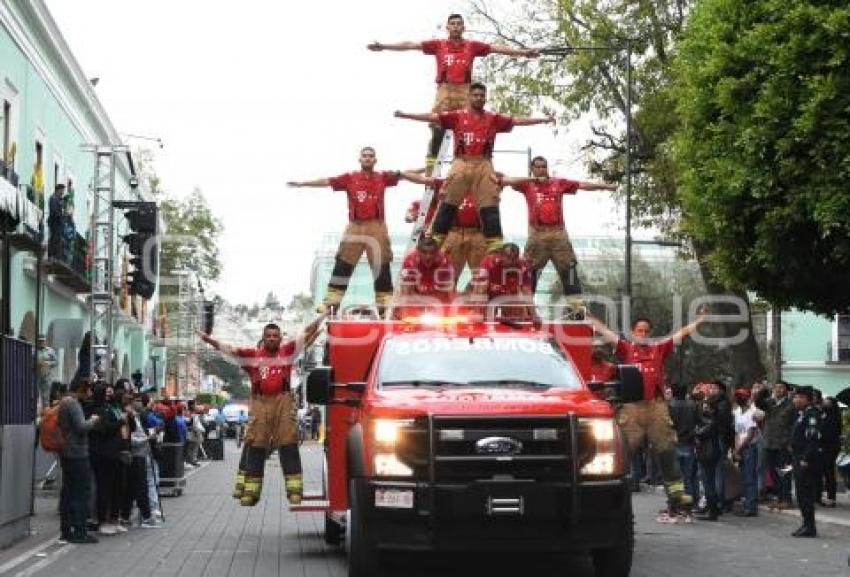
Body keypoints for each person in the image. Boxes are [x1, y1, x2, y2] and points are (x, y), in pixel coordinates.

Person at [395, 83, 554, 253]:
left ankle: (495, 243)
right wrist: (406, 115)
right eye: (475, 95)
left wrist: (543, 120)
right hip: (461, 162)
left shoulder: (493, 117)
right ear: (470, 97)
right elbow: (433, 117)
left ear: (485, 97)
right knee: (448, 199)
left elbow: (516, 120)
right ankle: (435, 238)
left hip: (484, 163)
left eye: (482, 95)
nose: (479, 98)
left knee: (490, 202)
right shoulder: (457, 116)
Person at [368, 13, 538, 170]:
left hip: (465, 90)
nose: (456, 26)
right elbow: (412, 44)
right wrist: (384, 46)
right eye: (453, 24)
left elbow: (496, 48)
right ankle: (431, 165)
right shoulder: (439, 45)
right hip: (445, 89)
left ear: (463, 27)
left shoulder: (471, 46)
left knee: (468, 124)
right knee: (437, 125)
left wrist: (523, 53)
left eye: (459, 24)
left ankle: (468, 162)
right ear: (447, 27)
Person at [589, 311, 707, 519]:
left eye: (646, 331)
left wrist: (699, 321)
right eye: (639, 331)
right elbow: (605, 332)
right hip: (632, 408)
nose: (643, 334)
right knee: (622, 453)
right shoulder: (626, 348)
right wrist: (588, 317)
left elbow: (681, 333)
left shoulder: (658, 348)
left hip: (656, 407)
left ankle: (677, 496)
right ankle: (609, 493)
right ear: (633, 333)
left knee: (667, 450)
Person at [200, 317, 324, 506]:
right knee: (256, 444)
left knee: (288, 443)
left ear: (280, 338)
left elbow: (305, 333)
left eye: (275, 336)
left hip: (283, 401)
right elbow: (229, 349)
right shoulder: (252, 356)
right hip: (259, 402)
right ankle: (250, 492)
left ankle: (294, 491)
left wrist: (321, 317)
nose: (272, 339)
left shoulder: (287, 351)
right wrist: (208, 340)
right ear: (263, 338)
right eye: (269, 336)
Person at [288, 147, 416, 313]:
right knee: (344, 261)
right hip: (355, 226)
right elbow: (327, 181)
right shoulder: (350, 178)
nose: (368, 158)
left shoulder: (382, 177)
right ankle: (331, 301)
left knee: (381, 262)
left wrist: (425, 170)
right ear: (360, 159)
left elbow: (404, 174)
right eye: (365, 156)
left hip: (376, 225)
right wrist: (303, 184)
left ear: (375, 160)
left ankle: (384, 302)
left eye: (371, 156)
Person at [498, 157, 617, 295]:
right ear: (532, 169)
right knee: (530, 271)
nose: (541, 170)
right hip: (537, 235)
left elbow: (581, 185)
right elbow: (508, 181)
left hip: (558, 234)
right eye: (538, 167)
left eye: (544, 167)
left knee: (569, 270)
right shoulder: (527, 185)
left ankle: (576, 308)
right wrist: (531, 179)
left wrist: (605, 186)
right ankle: (526, 309)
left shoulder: (558, 183)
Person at [403, 172, 487, 283]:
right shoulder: (444, 186)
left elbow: (504, 180)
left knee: (482, 274)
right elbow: (416, 178)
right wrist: (400, 173)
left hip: (477, 233)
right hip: (450, 234)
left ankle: (472, 295)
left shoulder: (483, 184)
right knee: (448, 274)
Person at [57, 380, 100, 543]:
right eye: (88, 391)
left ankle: (66, 530)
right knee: (81, 493)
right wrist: (93, 420)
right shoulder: (73, 404)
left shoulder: (63, 403)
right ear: (81, 390)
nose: (90, 394)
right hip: (77, 454)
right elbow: (81, 427)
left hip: (67, 453)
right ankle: (80, 531)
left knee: (68, 492)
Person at [89, 384, 127, 536]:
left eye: (110, 392)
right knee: (104, 487)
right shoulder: (97, 410)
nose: (109, 394)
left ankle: (114, 518)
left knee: (118, 487)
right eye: (106, 392)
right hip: (104, 454)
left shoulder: (112, 407)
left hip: (116, 453)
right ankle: (102, 520)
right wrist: (120, 422)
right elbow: (104, 429)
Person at [754, 380, 796, 509]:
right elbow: (758, 402)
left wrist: (791, 442)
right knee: (773, 473)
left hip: (783, 444)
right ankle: (779, 497)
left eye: (781, 388)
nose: (778, 390)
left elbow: (793, 426)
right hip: (769, 442)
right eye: (776, 387)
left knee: (784, 472)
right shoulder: (769, 403)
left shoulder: (790, 405)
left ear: (786, 391)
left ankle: (786, 499)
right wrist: (763, 389)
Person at [471, 242, 534, 320]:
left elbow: (527, 292)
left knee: (518, 312)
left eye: (514, 258)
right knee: (481, 305)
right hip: (488, 294)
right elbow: (480, 290)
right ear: (501, 256)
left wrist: (534, 314)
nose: (511, 261)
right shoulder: (488, 263)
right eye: (508, 258)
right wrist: (477, 311)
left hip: (508, 294)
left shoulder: (523, 266)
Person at [790, 385, 822, 537]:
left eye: (797, 397)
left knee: (805, 493)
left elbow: (813, 439)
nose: (795, 399)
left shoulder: (812, 415)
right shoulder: (803, 414)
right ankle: (806, 524)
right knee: (801, 493)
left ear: (805, 398)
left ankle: (810, 526)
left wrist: (805, 458)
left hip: (805, 460)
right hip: (798, 457)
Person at [732, 387, 764, 517]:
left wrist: (739, 449)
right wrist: (735, 449)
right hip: (740, 447)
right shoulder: (737, 412)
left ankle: (751, 506)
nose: (739, 398)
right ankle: (746, 503)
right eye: (738, 396)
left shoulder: (752, 413)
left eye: (742, 396)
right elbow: (737, 432)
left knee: (750, 477)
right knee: (744, 477)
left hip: (749, 447)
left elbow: (750, 434)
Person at [398, 236, 456, 307]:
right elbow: (405, 291)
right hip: (417, 296)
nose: (428, 256)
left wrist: (452, 308)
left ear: (437, 252)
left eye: (432, 253)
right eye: (424, 252)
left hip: (438, 296)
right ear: (418, 251)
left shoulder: (445, 262)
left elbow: (450, 290)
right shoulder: (409, 262)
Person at [668, 384, 701, 504]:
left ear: (673, 392)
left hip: (675, 442)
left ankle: (676, 502)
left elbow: (668, 424)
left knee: (675, 476)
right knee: (689, 475)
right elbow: (699, 422)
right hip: (689, 442)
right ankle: (690, 501)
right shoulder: (693, 405)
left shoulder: (670, 406)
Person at [694, 395, 723, 521]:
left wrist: (696, 431)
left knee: (708, 483)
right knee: (708, 482)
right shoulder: (708, 420)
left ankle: (712, 510)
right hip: (708, 452)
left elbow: (700, 433)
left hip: (708, 453)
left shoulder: (712, 421)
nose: (704, 409)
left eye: (706, 407)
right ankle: (713, 509)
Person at [819, 396, 841, 507]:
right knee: (823, 472)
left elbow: (832, 432)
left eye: (828, 402)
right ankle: (822, 495)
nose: (825, 403)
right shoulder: (823, 414)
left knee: (829, 472)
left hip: (830, 447)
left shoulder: (834, 416)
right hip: (822, 447)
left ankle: (831, 497)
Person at [36, 335, 58, 413]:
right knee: (35, 394)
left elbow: (56, 362)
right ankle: (34, 414)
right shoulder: (33, 350)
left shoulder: (50, 351)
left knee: (46, 395)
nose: (41, 342)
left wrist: (48, 363)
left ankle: (45, 414)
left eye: (43, 341)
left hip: (47, 375)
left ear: (45, 341)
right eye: (40, 341)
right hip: (36, 375)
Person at [47, 183, 65, 259]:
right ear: (58, 190)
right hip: (54, 222)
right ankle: (52, 255)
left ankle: (55, 256)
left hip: (57, 222)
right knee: (54, 239)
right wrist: (60, 217)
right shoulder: (53, 198)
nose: (63, 193)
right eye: (62, 190)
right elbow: (54, 211)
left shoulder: (57, 199)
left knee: (56, 239)